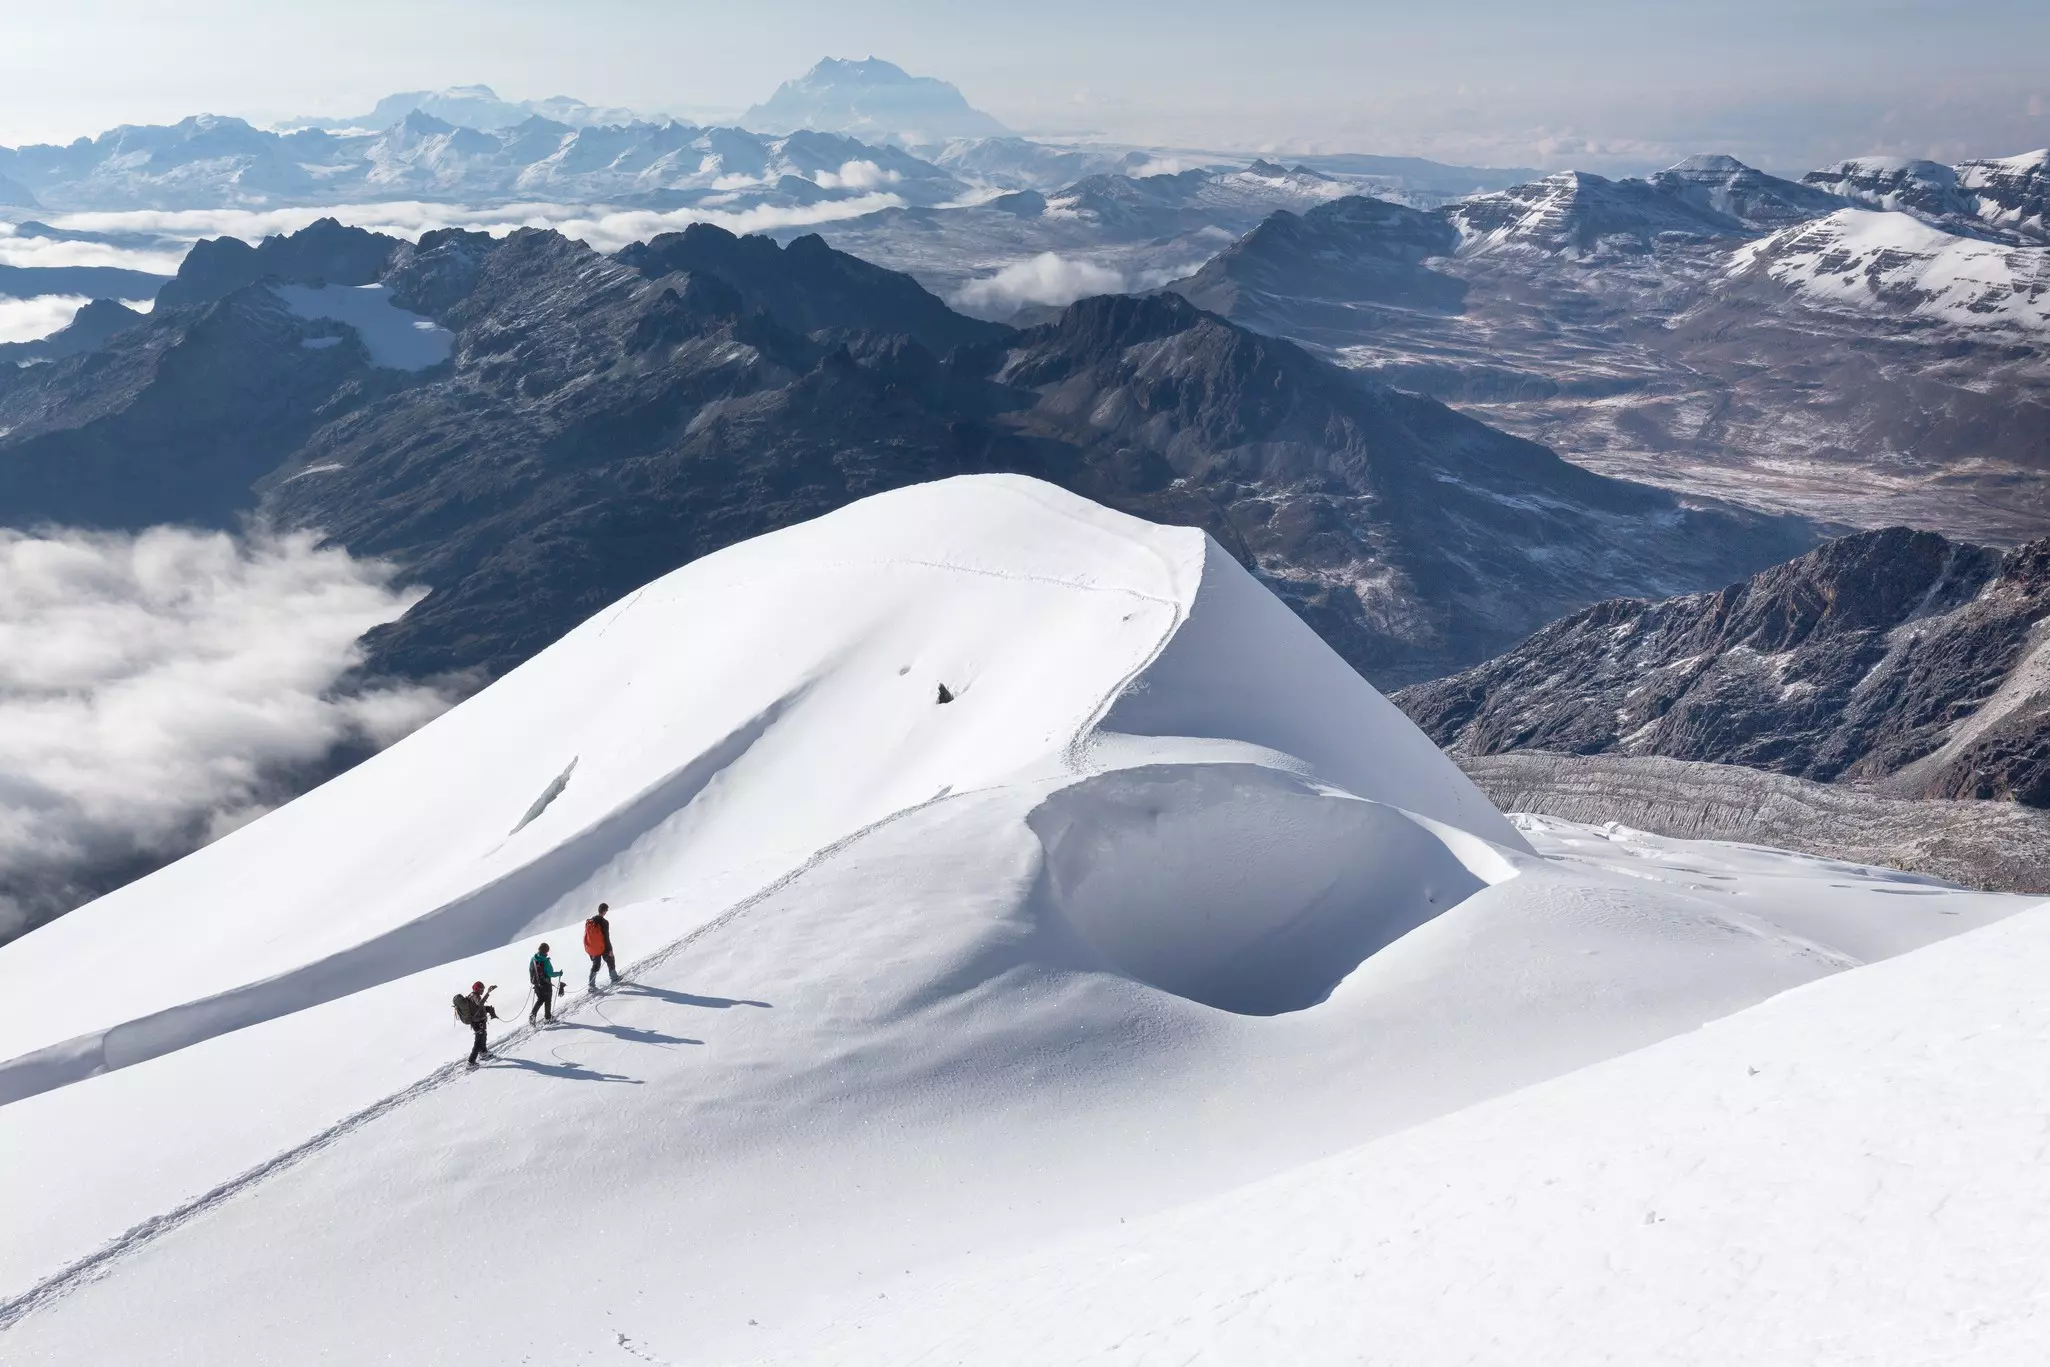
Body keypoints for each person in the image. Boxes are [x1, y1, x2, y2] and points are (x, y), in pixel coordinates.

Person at [455, 981, 498, 1067]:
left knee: (484, 1036)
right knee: (478, 1042)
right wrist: (488, 993)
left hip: (479, 1021)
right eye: (481, 989)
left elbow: (477, 1007)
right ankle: (471, 1062)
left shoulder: (473, 995)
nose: (482, 991)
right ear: (476, 989)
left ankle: (483, 1052)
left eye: (483, 989)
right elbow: (480, 1003)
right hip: (477, 1022)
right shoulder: (475, 996)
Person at [584, 902, 619, 989]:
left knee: (596, 965)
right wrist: (610, 949)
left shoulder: (589, 921)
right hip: (602, 947)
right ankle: (614, 978)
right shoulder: (604, 922)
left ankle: (591, 985)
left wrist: (590, 951)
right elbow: (606, 937)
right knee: (610, 960)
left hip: (593, 949)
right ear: (604, 911)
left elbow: (586, 936)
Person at [528, 942, 564, 1023]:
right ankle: (548, 1018)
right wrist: (559, 973)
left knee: (540, 999)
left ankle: (533, 1014)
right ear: (546, 951)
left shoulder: (533, 959)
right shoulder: (546, 961)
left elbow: (530, 970)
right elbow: (550, 973)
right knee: (548, 1000)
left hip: (537, 984)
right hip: (546, 984)